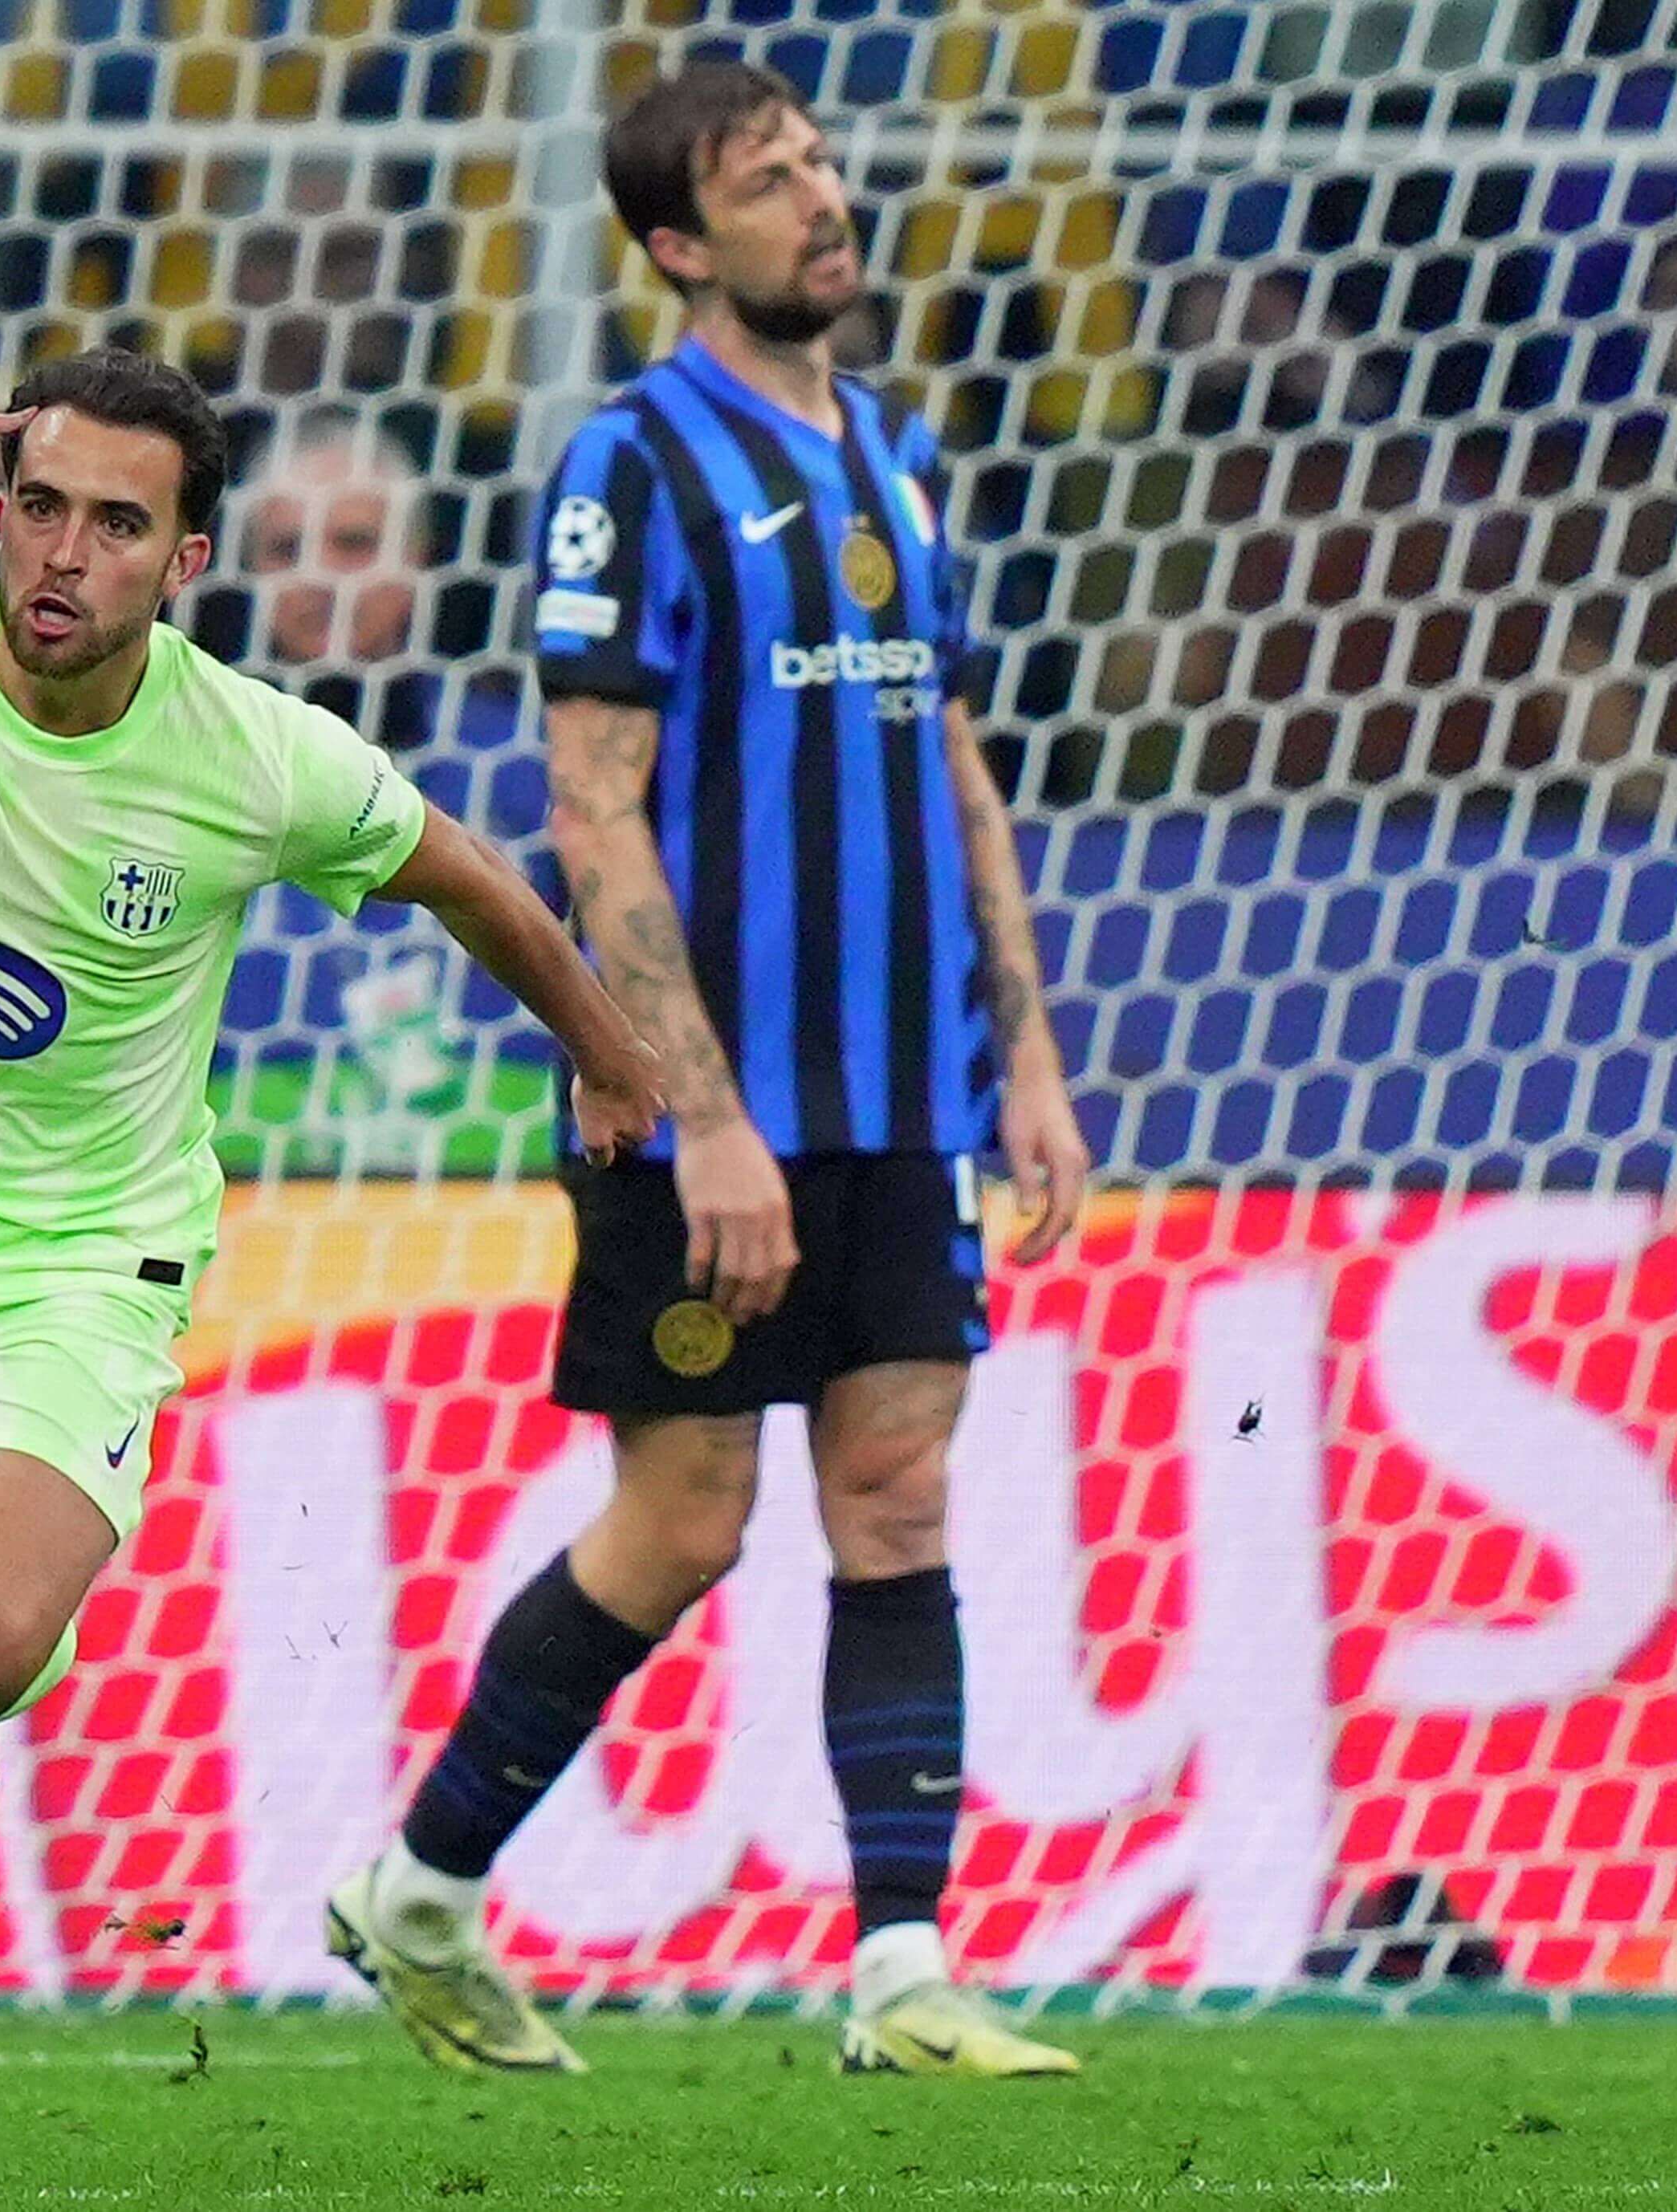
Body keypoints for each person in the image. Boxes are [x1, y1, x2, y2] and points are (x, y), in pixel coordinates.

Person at [0, 344, 668, 2194]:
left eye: (119, 524)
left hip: (81, 1255)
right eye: (41, 505)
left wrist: (610, 1048)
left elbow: (465, 872)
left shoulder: (250, 755)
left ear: (188, 561)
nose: (65, 552)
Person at [324, 57, 1097, 2080]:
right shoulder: (632, 467)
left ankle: (904, 1971)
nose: (823, 201)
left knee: (900, 1493)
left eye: (825, 164)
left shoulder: (900, 458)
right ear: (678, 242)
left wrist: (1023, 1053)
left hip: (904, 1093)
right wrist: (710, 1117)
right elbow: (595, 808)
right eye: (771, 181)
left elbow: (947, 754)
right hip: (718, 1109)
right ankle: (418, 1892)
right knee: (681, 1520)